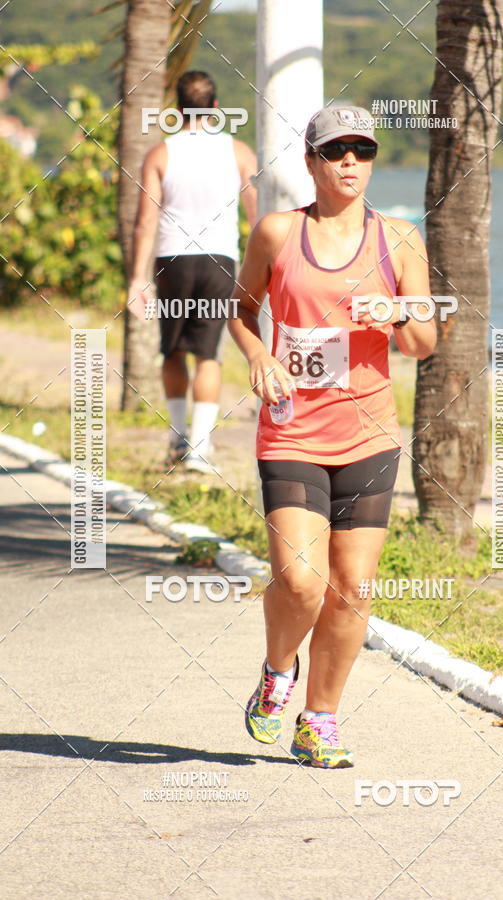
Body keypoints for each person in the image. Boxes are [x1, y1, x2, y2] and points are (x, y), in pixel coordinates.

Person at [228, 105, 437, 768]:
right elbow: (241, 309)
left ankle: (319, 719)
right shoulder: (276, 233)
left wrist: (400, 312)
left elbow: (425, 343)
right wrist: (259, 356)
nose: (351, 161)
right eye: (337, 150)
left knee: (352, 587)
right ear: (313, 162)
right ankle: (276, 670)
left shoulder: (399, 240)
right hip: (292, 431)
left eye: (363, 151)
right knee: (300, 581)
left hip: (369, 435)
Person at [128, 70, 257, 472]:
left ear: (177, 110)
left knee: (173, 349)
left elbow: (145, 223)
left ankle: (177, 438)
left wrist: (136, 279)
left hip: (173, 260)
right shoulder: (239, 153)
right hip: (221, 260)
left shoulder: (160, 154)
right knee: (208, 354)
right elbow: (258, 219)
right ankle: (201, 448)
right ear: (217, 108)